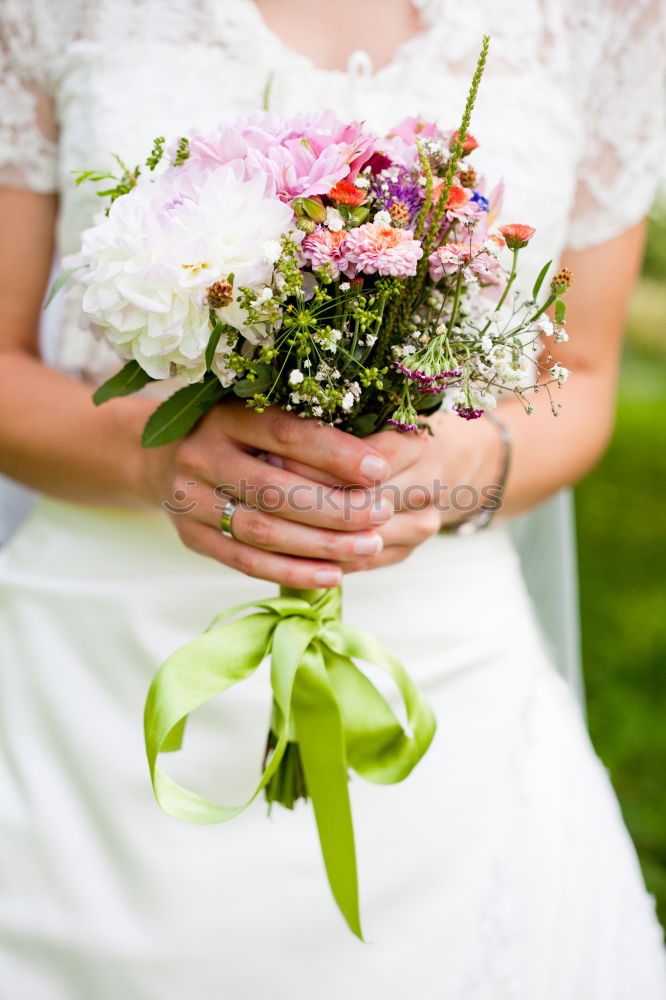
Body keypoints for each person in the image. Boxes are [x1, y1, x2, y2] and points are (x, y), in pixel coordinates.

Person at [0, 0, 664, 995]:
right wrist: (152, 457)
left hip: (445, 669)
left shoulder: (609, 17)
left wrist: (458, 470)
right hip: (85, 690)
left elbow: (585, 373)